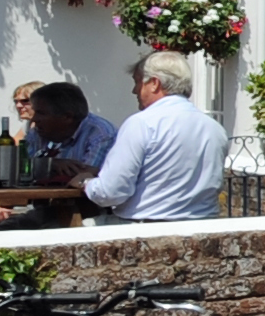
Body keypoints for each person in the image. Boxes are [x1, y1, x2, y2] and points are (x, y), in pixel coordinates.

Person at [82, 52, 228, 223]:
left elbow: (111, 192)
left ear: (154, 83)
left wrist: (86, 183)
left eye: (137, 81)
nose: (134, 90)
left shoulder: (142, 123)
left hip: (146, 231)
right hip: (201, 229)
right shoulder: (214, 128)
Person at [0, 82, 116, 224]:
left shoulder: (100, 133)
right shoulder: (39, 130)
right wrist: (51, 164)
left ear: (67, 117)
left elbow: (86, 176)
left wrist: (40, 167)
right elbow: (20, 166)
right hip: (43, 209)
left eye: (41, 113)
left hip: (89, 216)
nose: (34, 119)